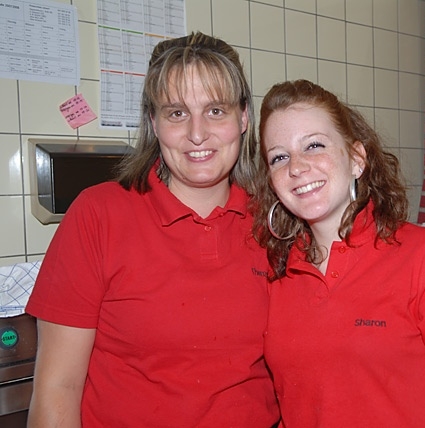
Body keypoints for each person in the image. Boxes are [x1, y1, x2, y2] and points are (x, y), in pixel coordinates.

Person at [25, 32, 279, 427]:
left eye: (216, 110)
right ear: (153, 123)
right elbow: (57, 388)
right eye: (177, 113)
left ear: (243, 118)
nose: (197, 134)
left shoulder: (276, 222)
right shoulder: (98, 215)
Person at [251, 79, 425, 428]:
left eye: (314, 145)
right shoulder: (273, 271)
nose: (297, 167)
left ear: (356, 159)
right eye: (279, 157)